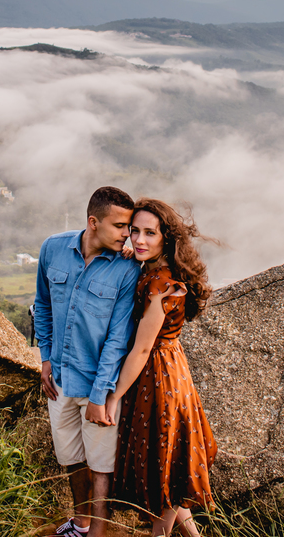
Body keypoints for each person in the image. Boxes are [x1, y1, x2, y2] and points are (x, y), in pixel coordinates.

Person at [34, 186, 140, 537]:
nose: (127, 235)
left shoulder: (127, 268)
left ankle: (98, 533)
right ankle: (80, 524)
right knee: (71, 458)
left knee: (101, 465)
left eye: (129, 227)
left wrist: (99, 396)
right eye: (120, 226)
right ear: (94, 222)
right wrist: (45, 359)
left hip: (98, 383)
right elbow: (43, 305)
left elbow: (118, 339)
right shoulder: (52, 249)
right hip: (60, 380)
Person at [108, 198, 217, 537]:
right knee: (171, 467)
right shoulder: (160, 270)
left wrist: (114, 396)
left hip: (158, 377)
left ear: (165, 237)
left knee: (164, 469)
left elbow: (142, 347)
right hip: (170, 369)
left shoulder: (160, 283)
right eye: (134, 231)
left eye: (150, 233)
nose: (139, 240)